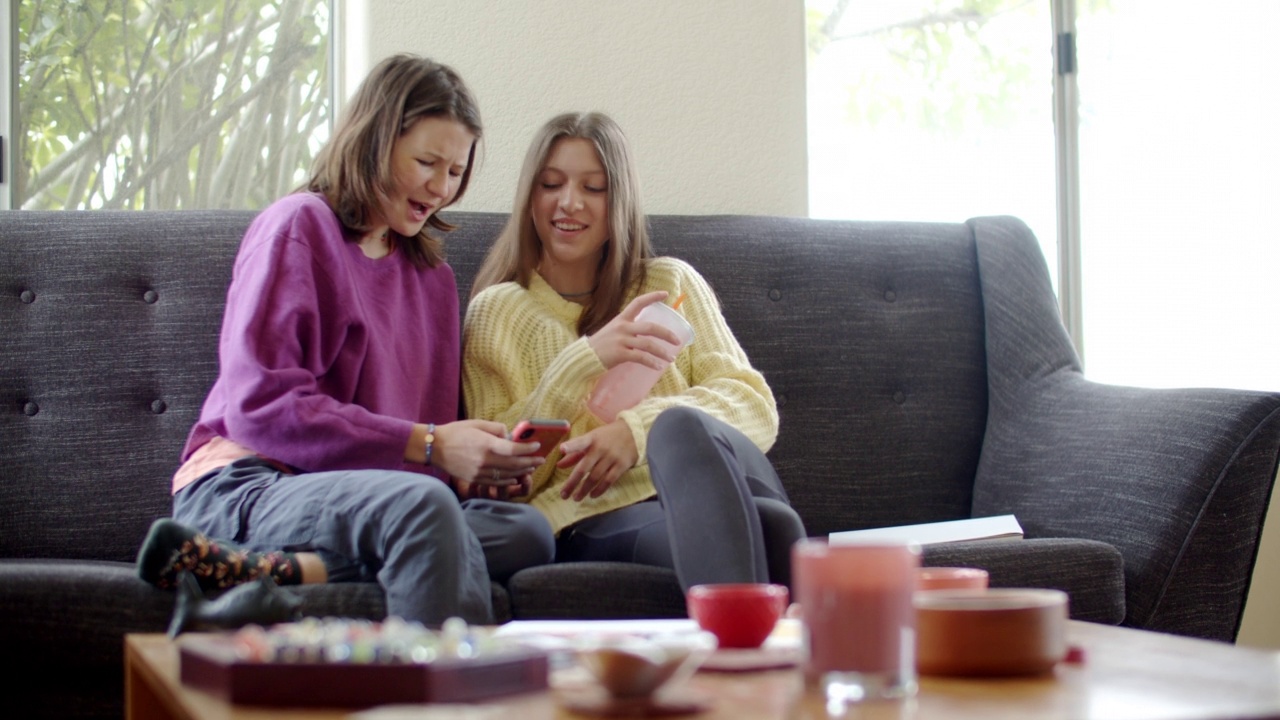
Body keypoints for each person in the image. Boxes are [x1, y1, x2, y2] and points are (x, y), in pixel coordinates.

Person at [134, 54, 555, 626]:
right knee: (425, 512)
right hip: (250, 483)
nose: (440, 187)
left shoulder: (432, 279)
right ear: (375, 141)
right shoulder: (299, 228)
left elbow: (408, 453)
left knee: (524, 532)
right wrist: (432, 445)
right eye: (426, 162)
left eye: (455, 171)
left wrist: (471, 467)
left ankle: (276, 571)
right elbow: (263, 409)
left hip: (360, 501)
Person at [463, 112, 806, 590]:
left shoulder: (671, 283)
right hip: (595, 516)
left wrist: (638, 433)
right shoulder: (497, 312)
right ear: (530, 196)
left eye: (594, 187)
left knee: (683, 430)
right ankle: (762, 650)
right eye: (551, 183)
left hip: (717, 483)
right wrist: (580, 364)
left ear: (618, 197)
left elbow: (755, 407)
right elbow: (504, 488)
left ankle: (740, 647)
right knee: (773, 528)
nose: (569, 203)